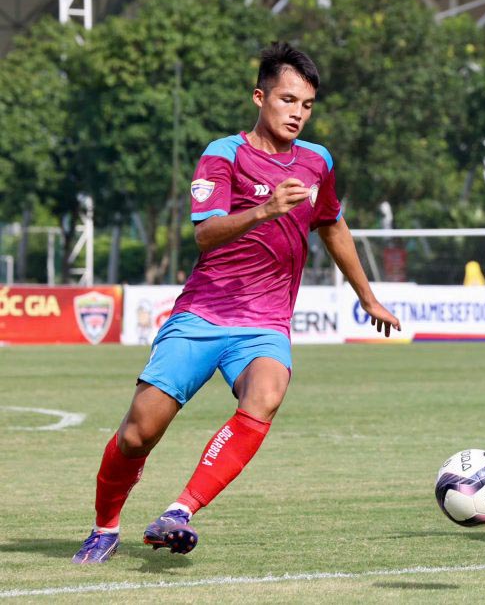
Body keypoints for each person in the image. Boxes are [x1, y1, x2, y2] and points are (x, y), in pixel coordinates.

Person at [72, 42, 401, 564]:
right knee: (138, 434)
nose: (297, 112)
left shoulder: (318, 162)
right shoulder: (223, 153)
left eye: (307, 105)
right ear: (259, 96)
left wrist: (368, 296)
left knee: (267, 393)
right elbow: (205, 235)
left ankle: (179, 512)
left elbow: (332, 224)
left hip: (264, 323)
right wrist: (265, 210)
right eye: (288, 99)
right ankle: (104, 527)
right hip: (202, 315)